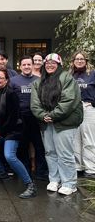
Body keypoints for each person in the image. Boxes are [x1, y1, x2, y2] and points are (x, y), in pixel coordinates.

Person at [31, 53, 83, 196]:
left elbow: (69, 100)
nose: (50, 65)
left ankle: (69, 183)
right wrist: (43, 116)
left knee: (65, 153)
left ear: (59, 65)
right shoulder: (38, 82)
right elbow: (35, 104)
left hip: (65, 122)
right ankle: (54, 179)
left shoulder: (67, 78)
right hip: (47, 122)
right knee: (50, 152)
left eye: (53, 63)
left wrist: (52, 115)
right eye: (47, 63)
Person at [0, 69, 37, 199]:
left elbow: (13, 117)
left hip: (13, 130)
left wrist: (0, 131)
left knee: (9, 156)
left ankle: (30, 185)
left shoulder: (11, 94)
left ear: (6, 80)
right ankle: (3, 173)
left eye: (0, 78)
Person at [11, 56, 48, 180]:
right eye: (24, 65)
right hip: (21, 118)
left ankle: (41, 172)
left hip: (36, 118)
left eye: (29, 64)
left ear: (33, 66)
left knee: (39, 146)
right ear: (20, 66)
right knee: (23, 146)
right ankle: (25, 171)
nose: (27, 67)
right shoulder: (14, 81)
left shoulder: (40, 80)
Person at [69, 51, 95, 178]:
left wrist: (93, 103)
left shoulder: (92, 74)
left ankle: (90, 169)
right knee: (75, 140)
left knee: (88, 139)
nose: (79, 61)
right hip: (73, 109)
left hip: (88, 108)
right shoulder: (70, 75)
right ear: (73, 61)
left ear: (86, 60)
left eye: (82, 59)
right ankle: (78, 167)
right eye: (77, 59)